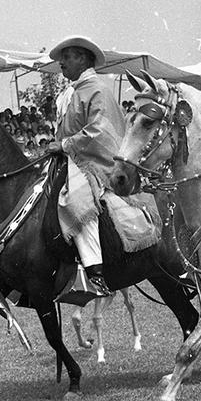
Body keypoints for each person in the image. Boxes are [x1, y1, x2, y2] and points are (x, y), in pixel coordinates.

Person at [46, 35, 125, 297]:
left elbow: (99, 131)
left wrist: (65, 145)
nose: (61, 64)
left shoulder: (97, 89)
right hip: (70, 160)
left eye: (66, 58)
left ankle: (95, 273)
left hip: (95, 163)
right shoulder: (75, 91)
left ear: (82, 58)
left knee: (78, 203)